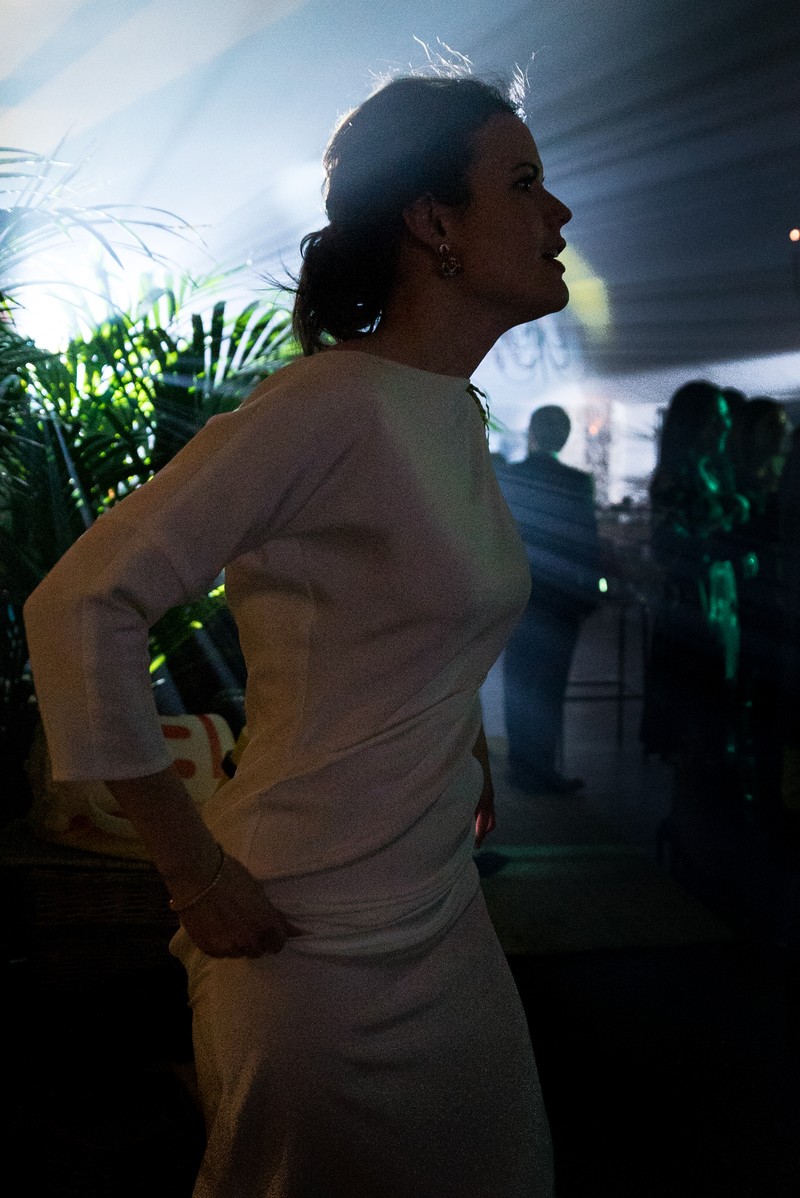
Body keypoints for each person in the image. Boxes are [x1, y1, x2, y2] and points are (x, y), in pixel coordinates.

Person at [23, 73, 572, 1197]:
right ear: (432, 221)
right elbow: (79, 602)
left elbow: (412, 610)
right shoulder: (329, 405)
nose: (557, 212)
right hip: (306, 933)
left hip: (438, 906)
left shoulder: (448, 407)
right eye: (523, 183)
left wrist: (459, 742)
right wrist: (190, 870)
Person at [499, 405, 600, 792]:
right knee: (551, 684)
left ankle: (520, 763)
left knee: (518, 678)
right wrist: (588, 594)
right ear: (565, 436)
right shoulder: (576, 482)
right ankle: (542, 767)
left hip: (520, 591)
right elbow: (586, 542)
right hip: (560, 596)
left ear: (533, 433)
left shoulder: (512, 476)